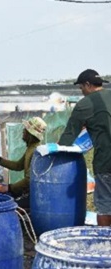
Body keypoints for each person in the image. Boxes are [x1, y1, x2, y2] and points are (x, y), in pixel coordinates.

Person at [58, 69, 111, 226]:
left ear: (88, 85)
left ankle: (105, 245)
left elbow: (67, 138)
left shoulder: (85, 105)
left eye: (81, 88)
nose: (82, 92)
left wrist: (54, 155)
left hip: (106, 163)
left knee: (105, 207)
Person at [0, 117, 47, 209]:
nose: (23, 131)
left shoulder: (36, 152)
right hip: (27, 192)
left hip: (33, 196)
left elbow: (29, 180)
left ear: (30, 134)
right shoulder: (30, 148)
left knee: (6, 206)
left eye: (25, 130)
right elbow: (18, 166)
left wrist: (8, 188)